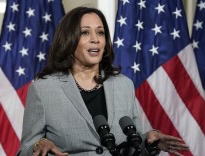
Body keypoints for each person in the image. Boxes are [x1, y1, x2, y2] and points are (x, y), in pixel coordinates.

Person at [17, 7, 189, 156]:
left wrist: (148, 142)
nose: (95, 39)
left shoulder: (123, 85)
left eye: (100, 32)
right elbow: (24, 149)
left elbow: (132, 148)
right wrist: (38, 146)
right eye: (85, 32)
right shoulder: (43, 89)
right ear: (69, 40)